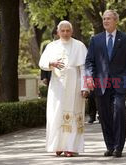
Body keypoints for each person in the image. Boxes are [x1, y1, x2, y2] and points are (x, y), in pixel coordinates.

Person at [85, 10, 126, 158]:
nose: (105, 21)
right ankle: (110, 145)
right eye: (104, 19)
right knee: (104, 115)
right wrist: (89, 77)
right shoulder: (95, 39)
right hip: (101, 84)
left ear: (116, 21)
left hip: (119, 82)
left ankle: (118, 147)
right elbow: (89, 61)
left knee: (119, 110)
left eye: (109, 18)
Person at [39, 20, 89, 157]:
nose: (65, 33)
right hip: (57, 86)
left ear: (72, 32)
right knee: (55, 115)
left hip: (75, 85)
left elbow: (84, 68)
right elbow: (42, 63)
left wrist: (85, 87)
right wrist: (52, 63)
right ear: (58, 32)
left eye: (68, 30)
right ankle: (58, 145)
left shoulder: (79, 46)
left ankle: (71, 147)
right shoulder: (51, 46)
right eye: (63, 30)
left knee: (73, 115)